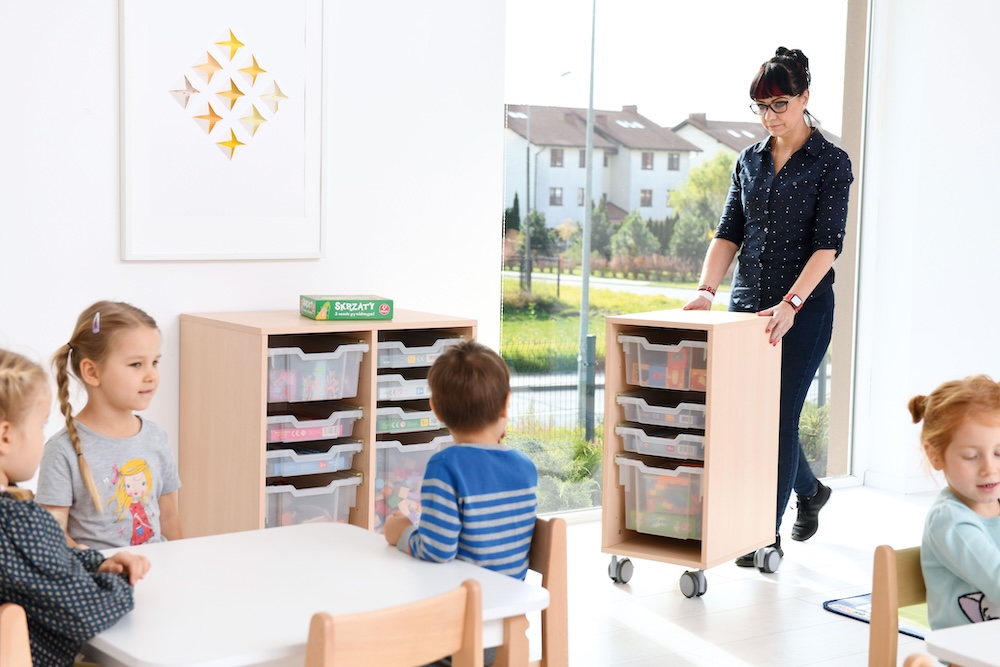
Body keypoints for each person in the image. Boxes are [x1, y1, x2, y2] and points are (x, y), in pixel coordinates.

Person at [684, 46, 854, 565]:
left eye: (780, 103)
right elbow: (728, 233)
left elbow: (827, 247)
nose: (770, 116)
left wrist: (791, 303)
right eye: (760, 107)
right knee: (743, 417)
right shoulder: (749, 159)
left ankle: (763, 532)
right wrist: (705, 290)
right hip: (745, 309)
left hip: (801, 314)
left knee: (778, 419)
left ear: (805, 96)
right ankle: (811, 490)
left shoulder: (831, 163)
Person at [384, 340, 537, 667]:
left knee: (381, 644)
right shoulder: (525, 468)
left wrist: (402, 534)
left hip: (457, 636)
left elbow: (438, 550)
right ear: (506, 403)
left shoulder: (446, 466)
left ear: (435, 408)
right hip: (504, 624)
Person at [0, 347, 150, 667]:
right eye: (40, 427)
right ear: (5, 436)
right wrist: (117, 583)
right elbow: (85, 612)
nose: (43, 439)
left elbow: (40, 563)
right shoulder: (14, 523)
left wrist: (94, 563)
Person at [35, 301, 182, 550]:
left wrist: (183, 566)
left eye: (155, 362)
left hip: (159, 571)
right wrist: (104, 566)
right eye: (136, 364)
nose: (151, 375)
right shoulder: (62, 451)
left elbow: (169, 518)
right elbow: (53, 535)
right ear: (92, 372)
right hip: (99, 580)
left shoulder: (157, 437)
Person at [910, 375, 1000, 633]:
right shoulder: (950, 521)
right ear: (935, 455)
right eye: (972, 456)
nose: (989, 468)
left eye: (999, 452)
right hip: (968, 655)